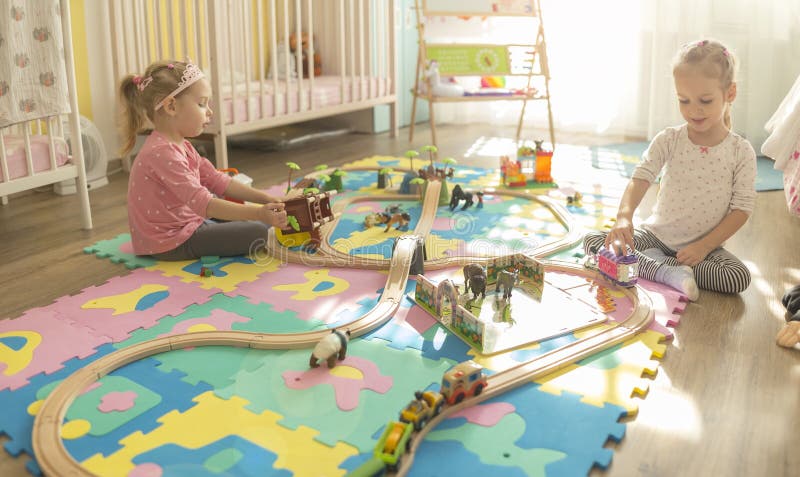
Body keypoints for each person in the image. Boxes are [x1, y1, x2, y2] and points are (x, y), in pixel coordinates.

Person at [584, 39, 757, 301]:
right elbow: (641, 177)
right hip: (656, 237)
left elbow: (742, 209)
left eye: (705, 101)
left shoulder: (740, 151)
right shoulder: (670, 139)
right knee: (592, 241)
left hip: (704, 249)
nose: (693, 110)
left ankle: (652, 266)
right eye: (683, 100)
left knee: (736, 277)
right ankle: (668, 273)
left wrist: (704, 247)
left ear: (729, 93)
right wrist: (623, 218)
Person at [119, 60, 292, 260]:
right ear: (171, 106)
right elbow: (204, 204)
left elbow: (218, 181)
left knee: (258, 220)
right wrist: (258, 213)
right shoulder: (161, 153)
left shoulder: (182, 145)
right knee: (258, 232)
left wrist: (266, 199)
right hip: (170, 241)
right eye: (202, 103)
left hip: (189, 221)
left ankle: (254, 219)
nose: (209, 111)